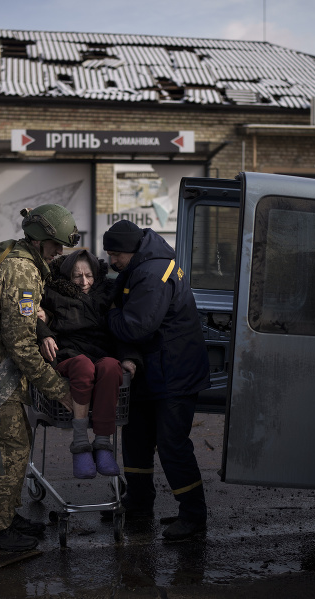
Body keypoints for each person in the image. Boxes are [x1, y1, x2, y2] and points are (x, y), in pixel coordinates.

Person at [0, 203, 78, 552]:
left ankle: (6, 515)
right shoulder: (22, 271)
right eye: (55, 246)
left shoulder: (19, 258)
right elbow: (21, 345)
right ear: (39, 242)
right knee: (12, 450)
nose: (59, 254)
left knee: (16, 443)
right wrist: (59, 390)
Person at [103, 219, 210, 541]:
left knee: (172, 445)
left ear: (131, 250)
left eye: (115, 255)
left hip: (174, 375)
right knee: (136, 439)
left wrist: (107, 313)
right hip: (155, 372)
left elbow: (136, 326)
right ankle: (138, 501)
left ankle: (193, 516)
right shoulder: (142, 266)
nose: (112, 261)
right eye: (109, 254)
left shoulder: (153, 273)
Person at [35, 249, 140, 479]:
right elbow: (32, 315)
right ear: (66, 276)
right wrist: (43, 333)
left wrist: (129, 356)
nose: (84, 282)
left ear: (96, 274)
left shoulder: (107, 294)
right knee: (83, 365)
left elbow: (119, 328)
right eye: (77, 276)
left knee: (112, 367)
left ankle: (102, 445)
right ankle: (81, 444)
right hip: (67, 358)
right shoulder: (51, 294)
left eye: (89, 275)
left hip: (100, 355)